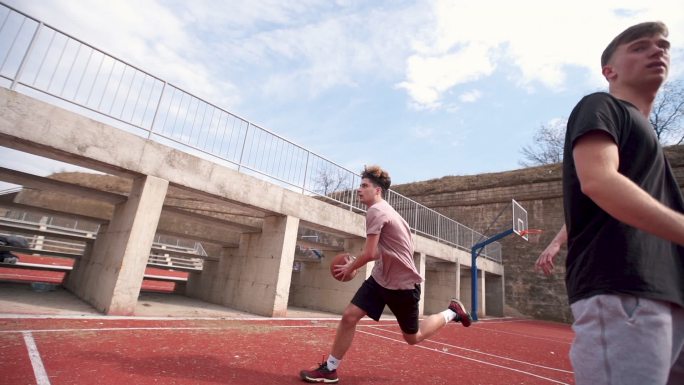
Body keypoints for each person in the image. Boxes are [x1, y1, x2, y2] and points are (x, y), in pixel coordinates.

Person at [535, 21, 684, 385]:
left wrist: (556, 241)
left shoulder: (646, 137)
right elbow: (599, 182)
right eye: (639, 46)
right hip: (625, 288)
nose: (657, 50)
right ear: (609, 70)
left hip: (670, 292)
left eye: (662, 45)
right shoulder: (601, 106)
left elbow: (602, 201)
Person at [299, 165, 472, 383]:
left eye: (364, 186)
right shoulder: (389, 212)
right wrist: (359, 263)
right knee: (349, 317)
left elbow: (371, 252)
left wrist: (350, 267)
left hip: (402, 285)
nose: (359, 190)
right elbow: (388, 249)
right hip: (381, 279)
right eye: (360, 185)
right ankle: (330, 369)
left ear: (377, 190)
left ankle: (451, 312)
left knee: (413, 337)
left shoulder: (376, 211)